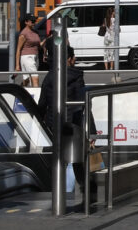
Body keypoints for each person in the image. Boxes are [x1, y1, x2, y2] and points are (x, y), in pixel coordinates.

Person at [37, 47, 95, 198]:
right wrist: (92, 131)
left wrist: (40, 123)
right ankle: (77, 192)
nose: (74, 59)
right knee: (75, 159)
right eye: (73, 56)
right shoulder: (76, 77)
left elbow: (42, 104)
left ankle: (59, 194)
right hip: (73, 123)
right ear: (69, 59)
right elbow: (84, 104)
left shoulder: (49, 77)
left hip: (54, 124)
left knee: (59, 159)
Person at [15, 14, 43, 87]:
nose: (34, 22)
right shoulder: (23, 34)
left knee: (27, 79)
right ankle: (36, 97)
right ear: (26, 22)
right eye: (32, 21)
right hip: (27, 57)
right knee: (35, 78)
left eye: (35, 21)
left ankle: (20, 89)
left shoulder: (35, 32)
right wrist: (17, 66)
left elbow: (39, 45)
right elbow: (18, 49)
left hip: (35, 56)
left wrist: (47, 39)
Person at [102, 7, 115, 71]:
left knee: (105, 53)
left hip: (106, 37)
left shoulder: (105, 19)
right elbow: (119, 30)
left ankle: (106, 68)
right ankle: (111, 68)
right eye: (114, 11)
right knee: (112, 53)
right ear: (112, 12)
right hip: (112, 37)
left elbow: (103, 26)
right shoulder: (115, 20)